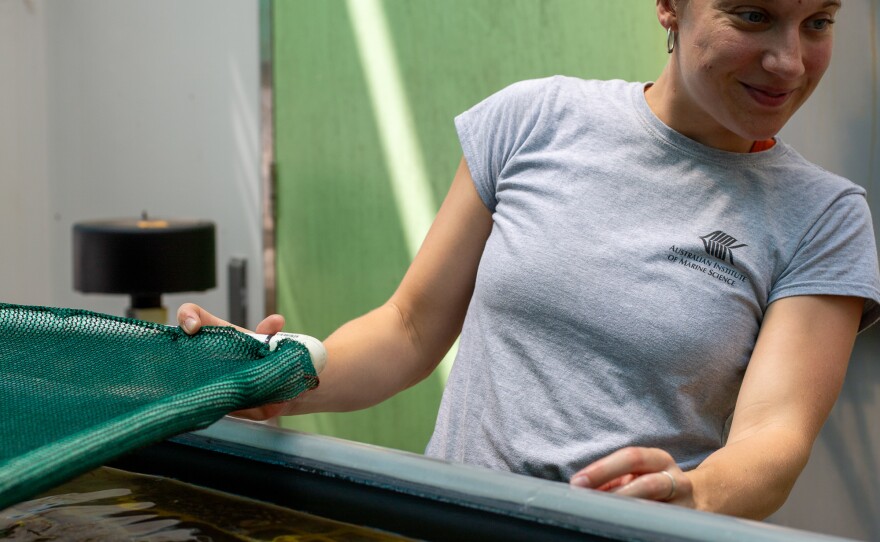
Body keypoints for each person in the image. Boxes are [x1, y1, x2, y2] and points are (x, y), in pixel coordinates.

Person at [178, 0, 880, 520]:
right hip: (449, 520)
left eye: (818, 22)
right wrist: (280, 375)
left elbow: (773, 436)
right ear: (669, 8)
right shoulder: (533, 120)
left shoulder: (823, 215)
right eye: (753, 16)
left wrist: (694, 493)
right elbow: (409, 330)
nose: (789, 60)